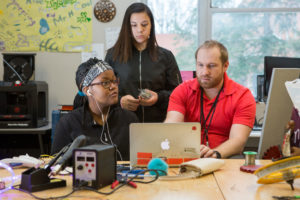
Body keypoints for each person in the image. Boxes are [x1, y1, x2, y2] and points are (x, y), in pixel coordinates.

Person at [165, 40, 256, 159]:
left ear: (225, 66)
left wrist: (214, 153)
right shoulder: (182, 91)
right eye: (200, 65)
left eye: (211, 66)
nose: (204, 72)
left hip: (223, 157)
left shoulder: (243, 96)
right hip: (186, 155)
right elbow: (172, 128)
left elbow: (237, 141)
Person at [105, 2, 182, 122]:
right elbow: (103, 90)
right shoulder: (113, 55)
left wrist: (158, 98)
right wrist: (119, 100)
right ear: (128, 27)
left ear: (151, 25)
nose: (140, 30)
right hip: (122, 124)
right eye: (134, 25)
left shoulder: (166, 56)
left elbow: (179, 93)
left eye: (144, 24)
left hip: (158, 123)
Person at [51, 58, 139, 161]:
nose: (113, 86)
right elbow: (56, 167)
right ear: (87, 90)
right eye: (105, 83)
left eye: (114, 81)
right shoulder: (68, 123)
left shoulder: (129, 119)